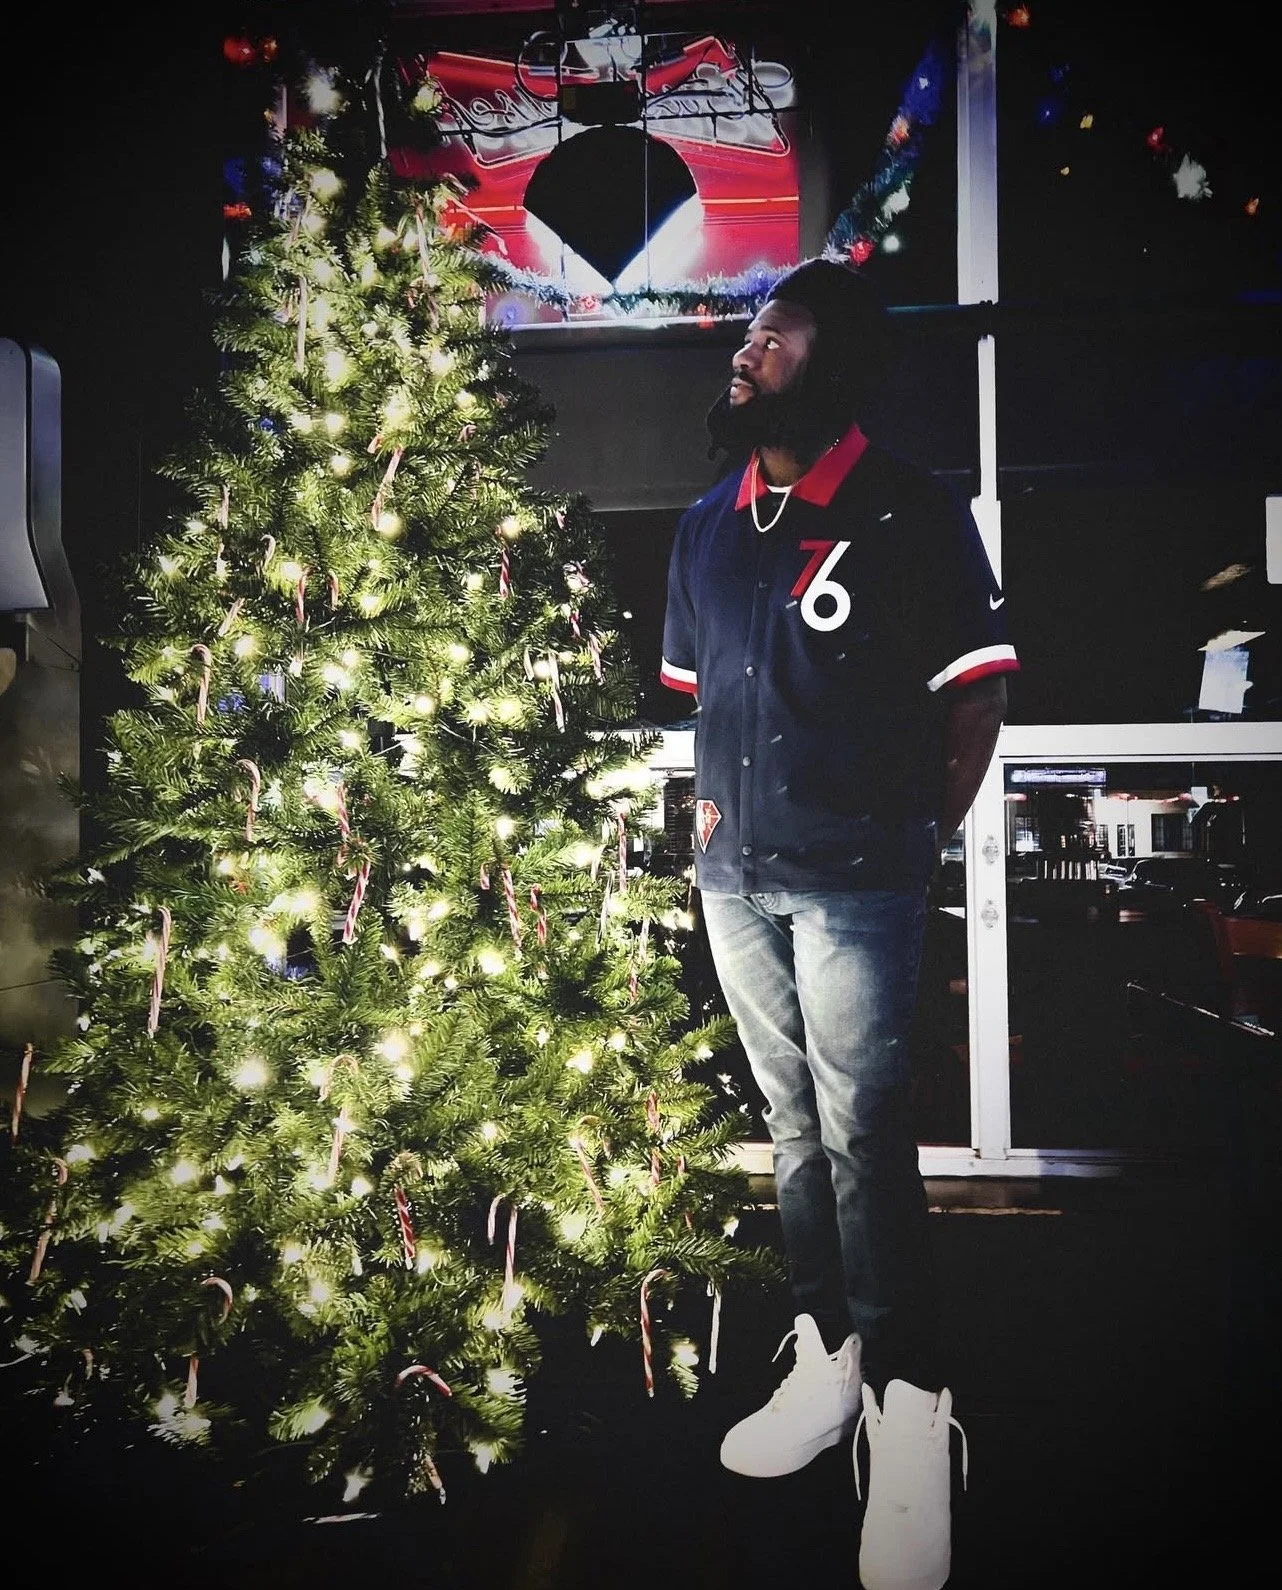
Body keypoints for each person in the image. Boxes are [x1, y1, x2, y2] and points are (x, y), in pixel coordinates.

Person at [660, 257, 1018, 1590]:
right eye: (746, 336)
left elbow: (975, 695)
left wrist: (910, 838)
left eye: (774, 336)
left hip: (857, 876)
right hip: (734, 876)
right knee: (794, 1123)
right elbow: (702, 698)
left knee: (866, 1133)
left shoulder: (911, 508)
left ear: (837, 360)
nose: (745, 353)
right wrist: (711, 832)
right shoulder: (705, 525)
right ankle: (827, 1350)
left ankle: (911, 1402)